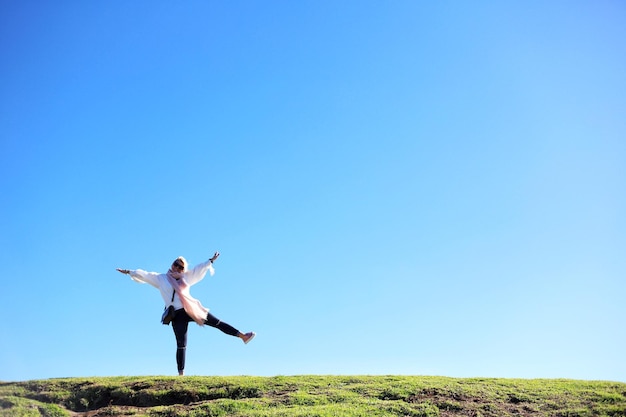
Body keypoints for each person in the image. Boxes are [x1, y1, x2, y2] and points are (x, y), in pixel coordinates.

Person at [116, 251, 255, 376]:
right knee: (181, 343)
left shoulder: (186, 277)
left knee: (216, 322)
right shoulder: (161, 278)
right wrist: (129, 271)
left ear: (183, 269)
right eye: (175, 264)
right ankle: (181, 375)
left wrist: (210, 261)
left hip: (191, 310)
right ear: (172, 264)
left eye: (180, 267)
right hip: (176, 314)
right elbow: (145, 275)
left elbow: (199, 269)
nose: (177, 268)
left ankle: (242, 336)